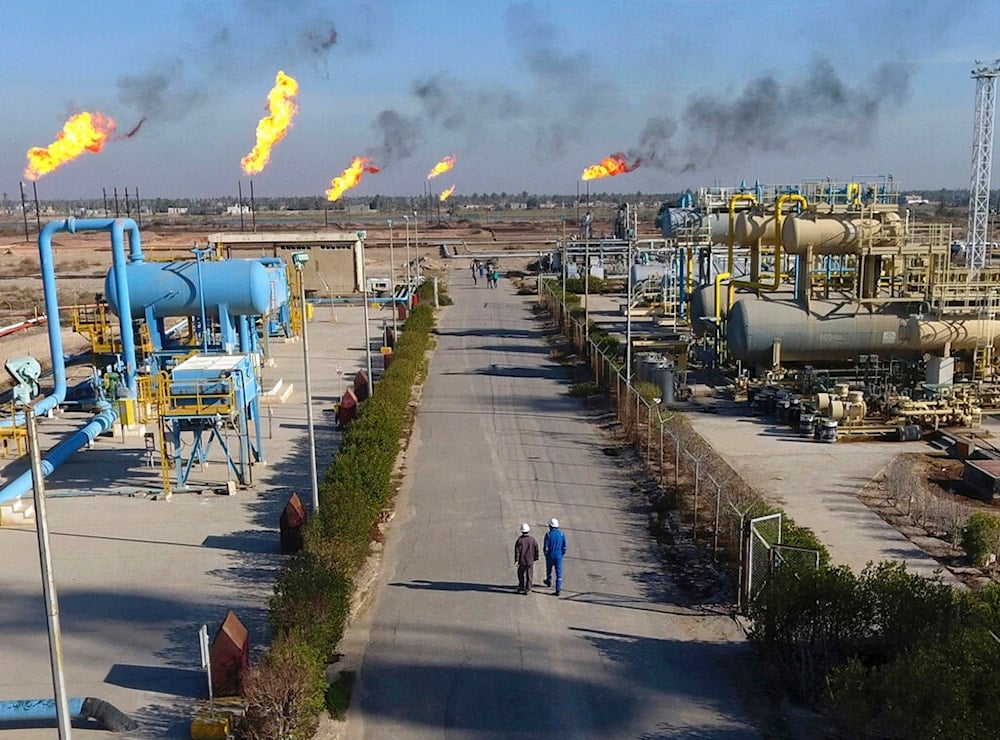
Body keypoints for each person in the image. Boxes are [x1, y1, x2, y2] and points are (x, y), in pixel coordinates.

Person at [543, 518, 567, 596]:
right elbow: (564, 547)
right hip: (559, 555)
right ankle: (558, 589)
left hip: (550, 555)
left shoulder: (548, 535)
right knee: (559, 573)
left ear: (550, 526)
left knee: (549, 569)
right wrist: (561, 554)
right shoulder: (562, 534)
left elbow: (545, 548)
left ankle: (549, 581)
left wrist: (546, 555)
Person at [513, 523, 539, 594]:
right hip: (530, 560)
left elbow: (517, 551)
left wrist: (517, 560)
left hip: (522, 561)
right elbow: (536, 548)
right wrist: (536, 557)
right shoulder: (532, 540)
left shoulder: (519, 540)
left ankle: (521, 586)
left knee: (520, 574)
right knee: (529, 575)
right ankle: (528, 588)